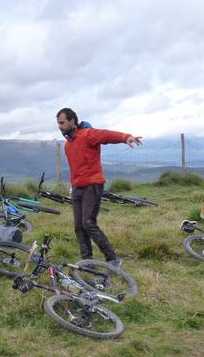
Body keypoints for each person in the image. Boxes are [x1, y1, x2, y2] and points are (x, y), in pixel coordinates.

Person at [56, 108, 142, 266]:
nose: (59, 126)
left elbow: (106, 135)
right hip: (77, 187)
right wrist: (72, 187)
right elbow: (75, 168)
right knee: (79, 226)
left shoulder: (88, 134)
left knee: (88, 223)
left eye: (62, 123)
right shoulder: (68, 146)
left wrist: (126, 137)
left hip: (93, 184)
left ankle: (113, 259)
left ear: (72, 121)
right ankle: (87, 261)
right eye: (58, 123)